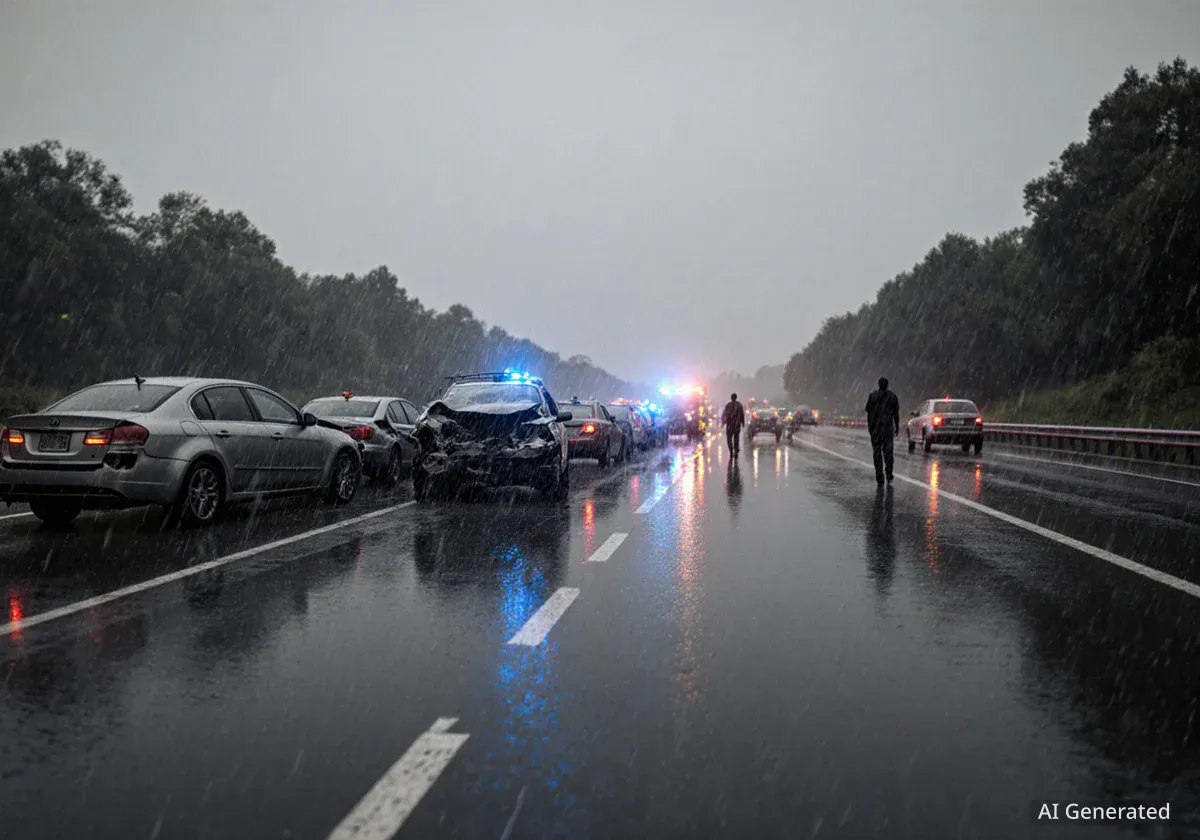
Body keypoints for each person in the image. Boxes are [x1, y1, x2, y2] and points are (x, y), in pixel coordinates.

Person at [864, 377, 900, 485]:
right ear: (887, 385)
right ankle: (889, 474)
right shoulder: (893, 397)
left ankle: (879, 476)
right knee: (888, 453)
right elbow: (896, 414)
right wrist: (897, 426)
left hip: (876, 429)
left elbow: (868, 412)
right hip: (887, 429)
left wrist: (870, 427)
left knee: (877, 453)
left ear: (878, 385)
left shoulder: (872, 396)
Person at [721, 392, 746, 457]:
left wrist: (723, 423)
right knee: (736, 438)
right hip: (737, 425)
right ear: (736, 398)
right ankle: (736, 451)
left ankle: (731, 450)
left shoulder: (728, 405)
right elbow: (742, 415)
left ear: (731, 398)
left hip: (729, 425)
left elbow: (724, 414)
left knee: (729, 438)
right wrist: (743, 423)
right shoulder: (739, 405)